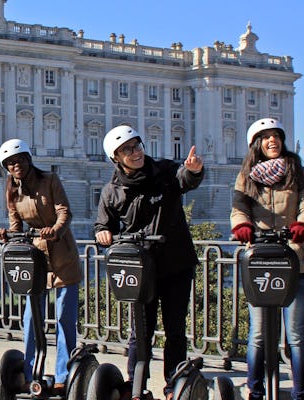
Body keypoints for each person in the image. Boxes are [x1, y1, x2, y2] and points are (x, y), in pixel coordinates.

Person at [93, 125, 204, 399]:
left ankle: (172, 385)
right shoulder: (112, 191)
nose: (136, 152)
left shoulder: (164, 171)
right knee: (140, 331)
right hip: (140, 269)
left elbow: (184, 180)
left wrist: (193, 170)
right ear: (116, 157)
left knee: (175, 329)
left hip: (175, 263)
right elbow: (102, 225)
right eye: (127, 149)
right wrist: (102, 233)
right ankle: (136, 383)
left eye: (137, 145)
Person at [231, 118, 304, 400]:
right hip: (259, 259)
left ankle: (299, 391)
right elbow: (238, 207)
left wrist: (303, 226)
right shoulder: (246, 175)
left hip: (295, 258)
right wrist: (242, 226)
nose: (272, 141)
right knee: (258, 333)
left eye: (276, 136)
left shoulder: (298, 172)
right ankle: (255, 390)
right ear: (257, 143)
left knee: (295, 333)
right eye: (266, 137)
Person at [0, 138, 82, 393]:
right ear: (7, 168)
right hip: (35, 260)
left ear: (28, 159)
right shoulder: (12, 191)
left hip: (62, 254)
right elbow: (15, 227)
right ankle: (30, 372)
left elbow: (65, 211)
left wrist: (55, 230)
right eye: (10, 163)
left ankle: (64, 375)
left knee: (64, 317)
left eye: (19, 160)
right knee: (31, 317)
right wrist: (5, 234)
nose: (16, 165)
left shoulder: (50, 180)